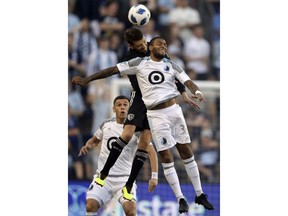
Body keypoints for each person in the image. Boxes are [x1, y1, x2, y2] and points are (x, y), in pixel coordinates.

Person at [72, 35, 214, 210]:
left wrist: (196, 92)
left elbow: (186, 80)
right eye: (159, 43)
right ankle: (179, 198)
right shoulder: (138, 62)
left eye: (165, 44)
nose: (164, 46)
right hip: (154, 112)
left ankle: (199, 194)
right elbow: (111, 71)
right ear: (150, 47)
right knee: (160, 153)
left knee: (185, 150)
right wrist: (87, 79)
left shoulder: (171, 63)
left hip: (174, 110)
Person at [78, 95, 158, 216]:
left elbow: (151, 152)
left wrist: (154, 176)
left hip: (124, 179)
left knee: (131, 211)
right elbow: (94, 140)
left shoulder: (136, 130)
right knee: (90, 205)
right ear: (114, 108)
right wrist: (87, 145)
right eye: (119, 105)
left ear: (129, 108)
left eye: (125, 105)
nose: (122, 108)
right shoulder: (106, 125)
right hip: (104, 178)